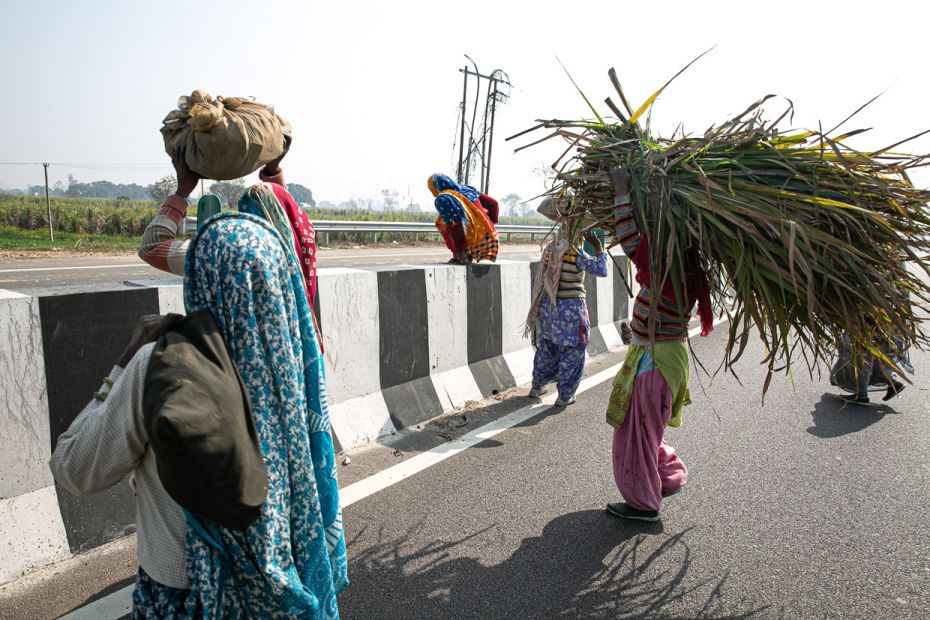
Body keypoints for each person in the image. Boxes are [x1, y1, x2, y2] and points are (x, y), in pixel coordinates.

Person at [50, 213, 348, 618]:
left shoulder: (160, 365)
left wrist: (124, 361)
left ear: (199, 279)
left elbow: (76, 469)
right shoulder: (296, 366)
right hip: (275, 586)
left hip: (185, 594)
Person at [604, 166, 714, 523]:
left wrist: (621, 192)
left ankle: (643, 504)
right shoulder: (687, 264)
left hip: (658, 361)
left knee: (637, 433)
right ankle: (665, 475)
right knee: (648, 428)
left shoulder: (668, 264)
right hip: (664, 356)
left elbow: (631, 240)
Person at [139, 137, 319, 307]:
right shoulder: (302, 249)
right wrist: (273, 170)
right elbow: (283, 211)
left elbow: (153, 246)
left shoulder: (232, 255)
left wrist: (182, 192)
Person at [526, 197, 609, 406]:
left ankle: (537, 386)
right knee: (573, 350)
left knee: (548, 346)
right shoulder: (576, 252)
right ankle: (565, 395)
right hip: (572, 309)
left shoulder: (551, 249)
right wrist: (598, 248)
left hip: (549, 308)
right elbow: (601, 270)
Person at [427, 173, 499, 264]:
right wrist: (489, 223)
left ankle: (463, 254)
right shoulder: (467, 189)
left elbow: (455, 224)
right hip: (490, 239)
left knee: (442, 223)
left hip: (473, 243)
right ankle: (465, 253)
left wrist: (460, 253)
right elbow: (494, 204)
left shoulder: (443, 199)